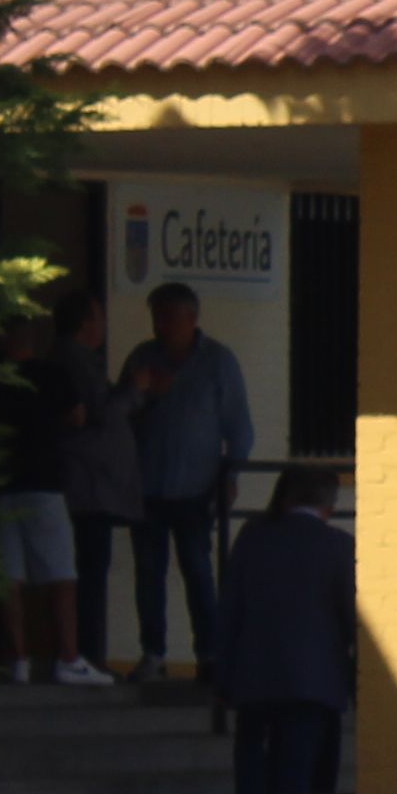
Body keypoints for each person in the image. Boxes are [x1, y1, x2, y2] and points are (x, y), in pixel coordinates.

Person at [118, 280, 257, 682]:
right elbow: (119, 417)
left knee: (197, 570)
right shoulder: (142, 358)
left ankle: (209, 656)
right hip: (146, 487)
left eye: (167, 318)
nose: (160, 326)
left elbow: (239, 427)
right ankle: (153, 655)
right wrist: (143, 393)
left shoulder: (218, 361)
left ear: (191, 319)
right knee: (149, 573)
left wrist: (231, 475)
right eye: (156, 318)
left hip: (196, 488)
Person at [212, 463, 354, 794]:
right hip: (315, 680)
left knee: (252, 758)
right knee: (298, 772)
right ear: (330, 503)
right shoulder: (339, 546)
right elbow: (351, 617)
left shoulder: (253, 538)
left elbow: (229, 609)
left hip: (254, 673)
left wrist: (221, 672)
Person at [0, 311, 97, 685]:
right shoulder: (51, 375)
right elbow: (78, 416)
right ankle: (67, 656)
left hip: (0, 483)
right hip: (43, 484)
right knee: (62, 575)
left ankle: (18, 660)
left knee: (8, 577)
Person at [54, 294, 138, 681]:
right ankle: (87, 652)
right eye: (99, 318)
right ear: (84, 323)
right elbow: (100, 413)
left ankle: (90, 651)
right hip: (89, 486)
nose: (103, 326)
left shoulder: (81, 362)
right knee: (89, 571)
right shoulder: (75, 361)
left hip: (95, 485)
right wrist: (134, 390)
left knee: (91, 570)